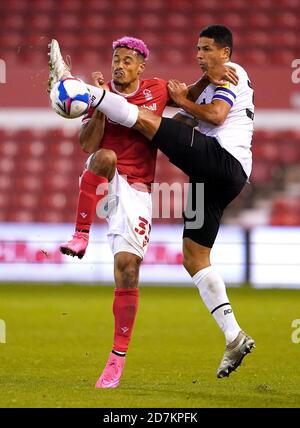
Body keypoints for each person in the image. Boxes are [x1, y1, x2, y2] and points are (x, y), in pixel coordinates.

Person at [48, 26, 252, 382]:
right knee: (194, 257)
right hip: (209, 178)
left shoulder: (231, 73)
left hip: (223, 160)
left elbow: (216, 116)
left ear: (225, 52)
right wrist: (186, 101)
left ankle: (81, 89)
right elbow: (190, 113)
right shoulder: (207, 79)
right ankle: (234, 335)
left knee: (146, 121)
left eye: (205, 49)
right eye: (197, 48)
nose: (199, 55)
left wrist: (100, 98)